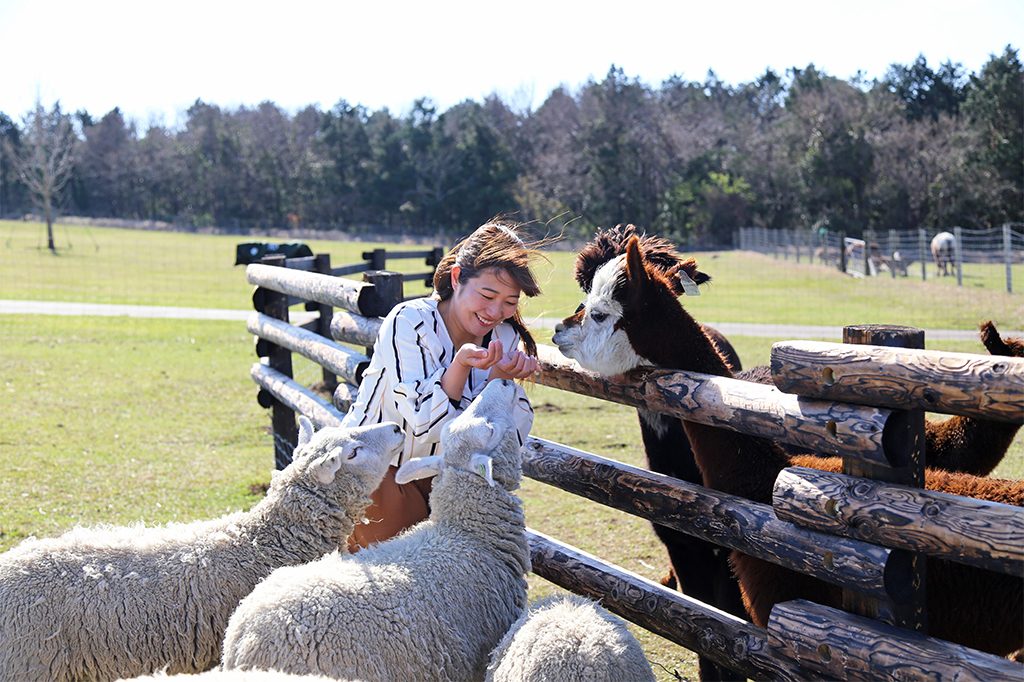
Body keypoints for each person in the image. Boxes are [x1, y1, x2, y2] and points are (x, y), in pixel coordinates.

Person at [341, 220, 546, 549]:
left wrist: (501, 380)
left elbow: (504, 439)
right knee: (390, 579)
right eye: (487, 295)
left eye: (510, 302)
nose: (496, 311)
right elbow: (425, 423)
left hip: (453, 484)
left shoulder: (505, 336)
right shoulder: (410, 322)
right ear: (456, 278)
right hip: (382, 475)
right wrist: (460, 365)